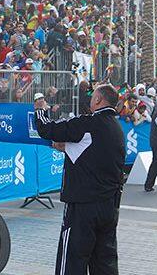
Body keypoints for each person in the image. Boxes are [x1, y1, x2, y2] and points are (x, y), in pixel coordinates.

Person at [34, 84, 125, 275]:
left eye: (93, 96)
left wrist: (40, 111)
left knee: (72, 260)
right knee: (104, 261)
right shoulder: (116, 128)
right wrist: (66, 147)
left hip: (83, 206)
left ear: (98, 100)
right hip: (109, 206)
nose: (90, 99)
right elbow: (90, 152)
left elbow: (47, 129)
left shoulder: (88, 123)